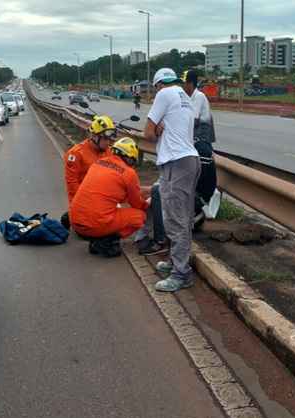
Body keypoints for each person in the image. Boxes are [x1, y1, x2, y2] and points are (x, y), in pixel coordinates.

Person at [144, 67, 200, 292]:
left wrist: (157, 130)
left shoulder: (164, 94)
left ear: (158, 84)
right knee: (182, 218)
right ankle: (176, 262)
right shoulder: (185, 98)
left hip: (176, 163)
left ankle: (181, 274)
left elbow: (148, 133)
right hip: (189, 160)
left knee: (175, 220)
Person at [70, 138, 149, 257]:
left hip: (75, 222)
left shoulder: (98, 163)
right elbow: (136, 204)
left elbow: (108, 192)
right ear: (129, 158)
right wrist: (148, 203)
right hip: (95, 224)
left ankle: (97, 239)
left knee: (109, 211)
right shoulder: (129, 173)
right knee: (139, 216)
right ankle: (105, 241)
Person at [60, 115, 116, 229]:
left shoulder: (108, 152)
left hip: (102, 198)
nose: (108, 142)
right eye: (105, 139)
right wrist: (86, 204)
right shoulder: (76, 154)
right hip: (83, 200)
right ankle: (72, 216)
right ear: (94, 136)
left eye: (109, 139)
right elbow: (72, 184)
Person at [182, 69, 215, 144]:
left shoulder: (198, 96)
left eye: (184, 83)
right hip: (196, 131)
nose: (182, 86)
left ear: (190, 84)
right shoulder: (188, 97)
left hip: (202, 133)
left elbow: (193, 119)